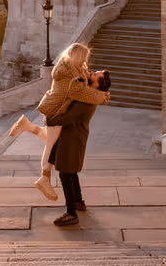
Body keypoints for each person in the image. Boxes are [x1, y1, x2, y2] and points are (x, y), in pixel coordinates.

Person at [8, 43, 109, 200]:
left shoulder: (73, 67)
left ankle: (27, 126)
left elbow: (85, 77)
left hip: (56, 107)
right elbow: (81, 92)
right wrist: (102, 96)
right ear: (77, 57)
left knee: (51, 137)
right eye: (84, 57)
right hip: (56, 110)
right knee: (51, 144)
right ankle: (44, 176)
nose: (86, 62)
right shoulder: (70, 79)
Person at [48, 70, 111, 226]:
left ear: (96, 84)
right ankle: (78, 201)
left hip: (71, 138)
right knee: (71, 171)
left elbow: (68, 118)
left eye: (96, 74)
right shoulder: (91, 95)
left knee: (65, 172)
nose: (92, 72)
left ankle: (71, 213)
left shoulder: (87, 100)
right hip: (76, 136)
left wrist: (50, 119)